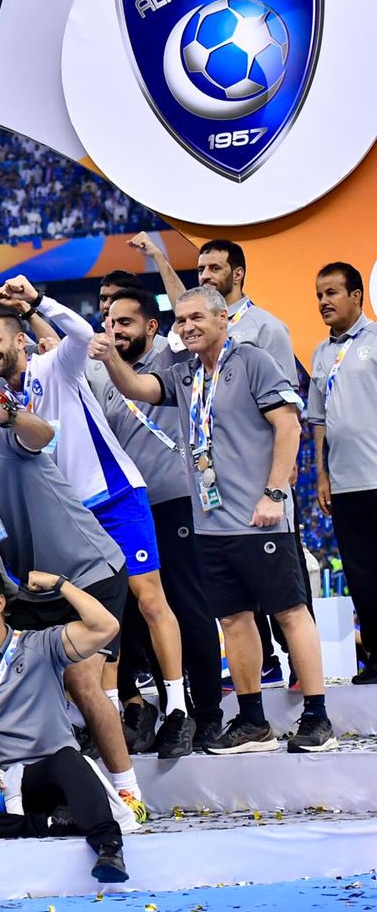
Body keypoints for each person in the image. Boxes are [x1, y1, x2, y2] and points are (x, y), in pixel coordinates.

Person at [91, 286, 333, 754]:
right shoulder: (184, 374)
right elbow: (137, 388)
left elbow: (289, 425)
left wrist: (274, 493)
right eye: (181, 320)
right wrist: (109, 358)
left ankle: (317, 716)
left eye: (196, 317)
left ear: (223, 318)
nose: (187, 327)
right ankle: (253, 721)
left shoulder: (253, 361)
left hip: (259, 517)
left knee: (289, 612)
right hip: (209, 522)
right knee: (234, 619)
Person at [0, 376, 144, 811]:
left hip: (87, 572)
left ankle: (129, 791)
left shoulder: (0, 435)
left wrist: (8, 414)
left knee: (81, 680)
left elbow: (43, 434)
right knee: (17, 675)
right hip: (29, 591)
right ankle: (53, 783)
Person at [0, 278, 190, 758]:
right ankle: (111, 715)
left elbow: (80, 333)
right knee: (97, 616)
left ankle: (178, 708)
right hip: (72, 518)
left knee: (148, 597)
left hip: (114, 495)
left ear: (20, 340)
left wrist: (36, 301)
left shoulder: (54, 364)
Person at [0, 564, 130, 885]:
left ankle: (109, 846)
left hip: (54, 776)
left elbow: (106, 626)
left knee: (68, 759)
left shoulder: (41, 645)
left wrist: (60, 582)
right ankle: (45, 825)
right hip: (4, 787)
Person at [95, 288, 225, 746]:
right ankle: (171, 707)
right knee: (143, 613)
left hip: (175, 501)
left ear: (152, 326)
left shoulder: (174, 359)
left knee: (188, 606)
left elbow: (194, 310)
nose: (116, 331)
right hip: (131, 510)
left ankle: (208, 712)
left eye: (125, 322)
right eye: (110, 323)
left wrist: (158, 259)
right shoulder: (106, 377)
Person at [308, 262, 377, 684]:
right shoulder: (319, 353)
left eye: (332, 292)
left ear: (356, 296)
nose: (323, 302)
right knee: (361, 574)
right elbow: (318, 421)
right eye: (319, 295)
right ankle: (375, 658)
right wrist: (322, 475)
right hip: (346, 484)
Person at [130, 233, 296, 378]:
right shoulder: (197, 324)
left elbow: (286, 393)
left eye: (215, 268)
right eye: (201, 270)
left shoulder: (267, 327)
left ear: (237, 274)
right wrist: (159, 258)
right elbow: (184, 305)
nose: (205, 276)